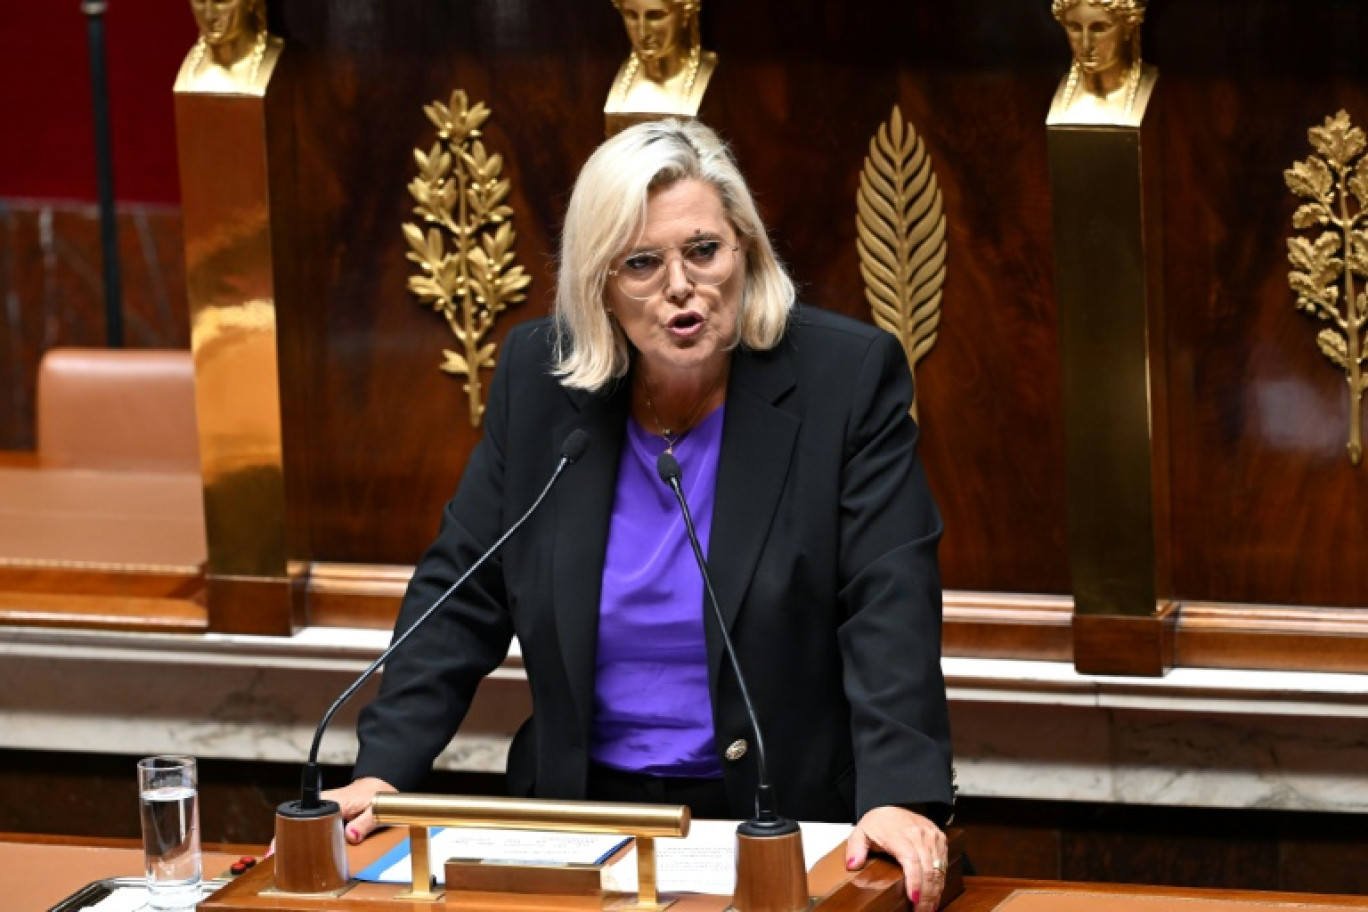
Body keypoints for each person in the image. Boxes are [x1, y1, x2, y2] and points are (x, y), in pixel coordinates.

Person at [330, 119, 955, 908]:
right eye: (641, 264)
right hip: (578, 821)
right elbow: (461, 594)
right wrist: (383, 770)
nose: (681, 286)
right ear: (599, 285)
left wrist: (899, 794)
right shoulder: (541, 379)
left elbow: (888, 599)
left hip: (781, 822)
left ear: (747, 252)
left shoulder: (844, 379)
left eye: (704, 250)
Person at [604, 0, 718, 130]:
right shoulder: (621, 81)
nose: (643, 33)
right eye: (631, 15)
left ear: (685, 13)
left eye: (655, 16)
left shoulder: (709, 72)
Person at [1048, 0, 1156, 126]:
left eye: (1099, 28)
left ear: (1128, 27)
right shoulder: (1044, 96)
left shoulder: (1166, 97)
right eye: (1075, 28)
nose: (1086, 44)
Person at [177, 0, 282, 95]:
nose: (209, 15)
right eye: (200, 1)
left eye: (221, 1)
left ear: (251, 2)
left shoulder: (280, 61)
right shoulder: (190, 71)